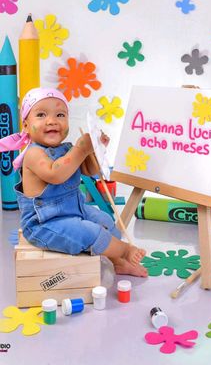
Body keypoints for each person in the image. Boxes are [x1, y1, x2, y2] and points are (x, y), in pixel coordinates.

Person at [0, 87, 147, 277]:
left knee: (104, 220)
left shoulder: (67, 148)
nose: (52, 120)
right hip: (45, 224)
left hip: (75, 210)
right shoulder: (33, 154)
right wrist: (80, 149)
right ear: (26, 125)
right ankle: (124, 251)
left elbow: (88, 170)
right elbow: (56, 174)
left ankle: (117, 261)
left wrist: (95, 150)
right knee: (87, 232)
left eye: (60, 114)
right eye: (41, 114)